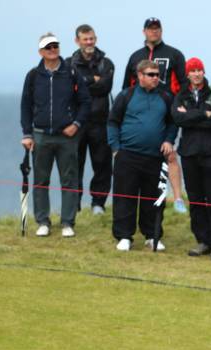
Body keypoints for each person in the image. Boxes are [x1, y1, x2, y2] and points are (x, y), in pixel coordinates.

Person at [20, 33, 91, 238]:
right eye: (48, 47)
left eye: (55, 45)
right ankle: (43, 221)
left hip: (67, 136)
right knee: (41, 180)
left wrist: (76, 124)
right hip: (41, 135)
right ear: (41, 52)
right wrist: (27, 133)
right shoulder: (33, 75)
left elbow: (85, 102)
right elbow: (26, 105)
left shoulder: (71, 72)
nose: (53, 49)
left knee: (69, 180)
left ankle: (68, 222)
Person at [107, 60, 177, 251]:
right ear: (140, 76)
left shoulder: (166, 96)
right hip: (127, 155)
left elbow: (172, 123)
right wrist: (115, 148)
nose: (156, 78)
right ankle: (124, 236)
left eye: (157, 74)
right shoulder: (126, 96)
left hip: (155, 157)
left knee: (154, 198)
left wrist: (169, 140)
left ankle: (152, 236)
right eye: (151, 74)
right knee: (124, 196)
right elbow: (112, 122)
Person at [123, 17, 187, 214]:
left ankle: (177, 197)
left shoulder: (174, 54)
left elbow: (183, 83)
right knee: (147, 155)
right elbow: (127, 86)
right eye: (151, 29)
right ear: (144, 31)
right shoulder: (135, 57)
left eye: (157, 29)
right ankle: (151, 196)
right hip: (141, 113)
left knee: (170, 154)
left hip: (168, 109)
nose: (154, 32)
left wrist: (180, 105)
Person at [172, 58, 211, 261]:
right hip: (189, 154)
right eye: (193, 70)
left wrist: (191, 116)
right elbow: (178, 119)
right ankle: (202, 240)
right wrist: (203, 114)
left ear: (203, 72)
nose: (196, 74)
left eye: (199, 70)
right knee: (195, 200)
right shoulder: (182, 95)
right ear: (187, 74)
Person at [66, 24, 114, 215]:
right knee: (73, 164)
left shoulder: (106, 63)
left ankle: (98, 203)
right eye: (85, 39)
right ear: (77, 41)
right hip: (76, 122)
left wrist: (82, 83)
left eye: (92, 38)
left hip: (100, 121)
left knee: (102, 164)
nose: (89, 42)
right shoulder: (68, 63)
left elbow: (105, 87)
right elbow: (70, 88)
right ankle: (74, 203)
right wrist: (91, 79)